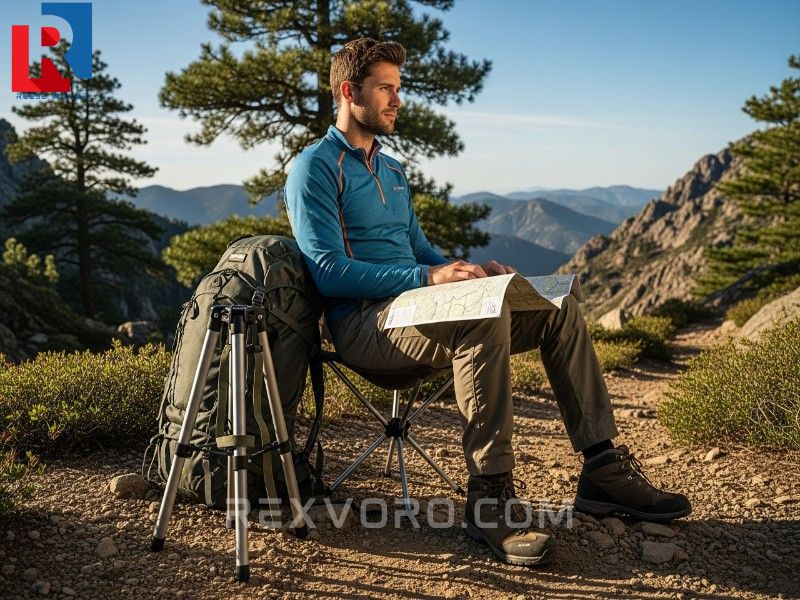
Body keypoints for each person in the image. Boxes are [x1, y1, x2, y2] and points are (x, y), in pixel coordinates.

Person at [285, 37, 691, 567]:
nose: (397, 100)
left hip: (418, 314)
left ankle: (602, 469)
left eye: (398, 89)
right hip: (364, 326)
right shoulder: (314, 167)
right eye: (385, 89)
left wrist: (475, 273)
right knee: (481, 316)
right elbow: (328, 272)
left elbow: (421, 250)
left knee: (557, 307)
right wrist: (429, 278)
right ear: (348, 91)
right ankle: (490, 498)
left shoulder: (391, 170)